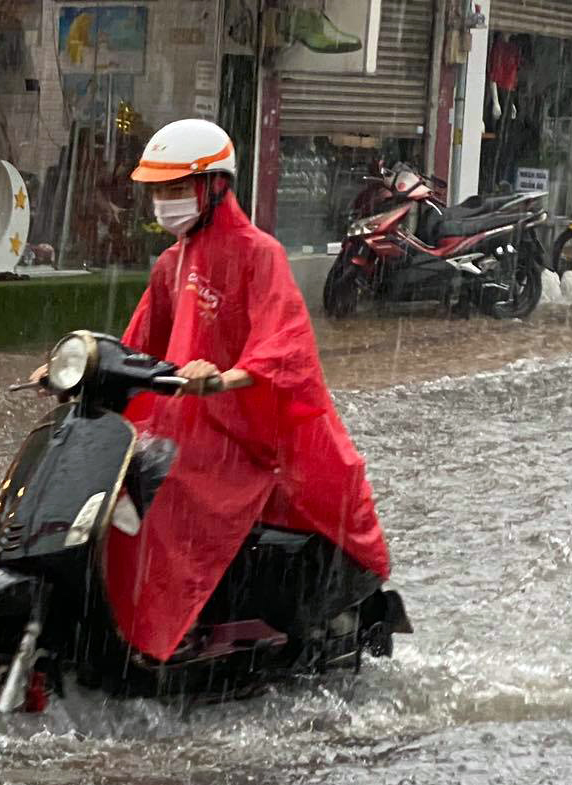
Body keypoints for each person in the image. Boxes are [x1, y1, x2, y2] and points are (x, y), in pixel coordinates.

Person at [100, 118, 391, 662]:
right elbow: (139, 342)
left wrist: (228, 376)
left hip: (250, 438)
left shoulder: (259, 253)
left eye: (176, 188)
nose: (164, 201)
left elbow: (285, 343)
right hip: (191, 430)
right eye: (158, 190)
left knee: (175, 510)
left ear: (213, 188)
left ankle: (175, 638)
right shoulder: (173, 261)